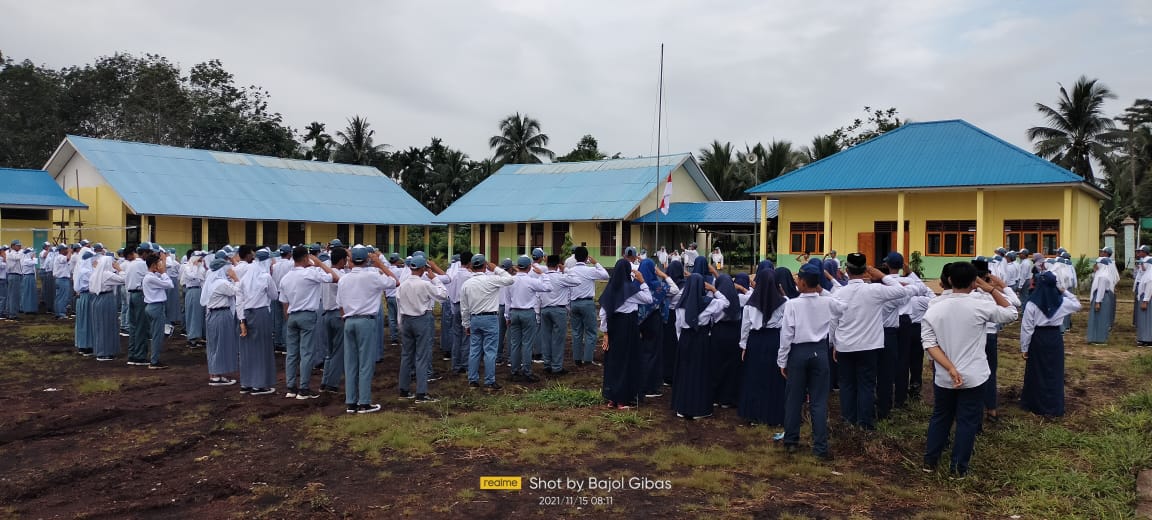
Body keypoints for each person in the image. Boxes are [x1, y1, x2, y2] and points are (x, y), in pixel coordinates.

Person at [921, 261, 1018, 477]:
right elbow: (1011, 312)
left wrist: (950, 368)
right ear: (974, 283)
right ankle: (958, 468)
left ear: (950, 281)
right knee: (967, 421)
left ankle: (930, 460)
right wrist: (991, 289)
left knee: (941, 416)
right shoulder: (980, 306)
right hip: (974, 376)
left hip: (945, 376)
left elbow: (929, 344)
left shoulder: (934, 308)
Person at [830, 253, 916, 430]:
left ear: (847, 270)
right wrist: (882, 276)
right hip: (869, 346)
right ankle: (865, 423)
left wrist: (834, 344)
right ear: (866, 271)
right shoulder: (874, 290)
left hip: (845, 345)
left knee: (847, 385)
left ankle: (849, 421)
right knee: (866, 385)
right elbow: (901, 290)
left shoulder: (839, 293)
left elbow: (834, 321)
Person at [779, 263, 842, 459]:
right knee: (819, 401)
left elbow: (786, 335)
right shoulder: (827, 302)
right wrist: (822, 292)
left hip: (798, 352)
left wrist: (782, 360)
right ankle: (820, 447)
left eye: (799, 279)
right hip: (819, 352)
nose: (796, 281)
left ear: (803, 283)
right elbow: (842, 309)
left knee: (793, 399)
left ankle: (790, 441)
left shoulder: (792, 304)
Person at [337, 246, 399, 413]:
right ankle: (364, 402)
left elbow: (340, 305)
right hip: (366, 321)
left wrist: (347, 318)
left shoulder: (344, 279)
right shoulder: (373, 275)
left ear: (351, 260)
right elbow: (395, 281)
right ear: (367, 260)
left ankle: (351, 402)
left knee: (350, 363)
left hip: (349, 321)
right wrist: (380, 264)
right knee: (365, 363)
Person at [278, 246, 340, 399]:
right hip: (307, 315)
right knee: (306, 353)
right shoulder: (310, 273)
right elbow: (334, 277)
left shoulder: (286, 278)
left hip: (292, 316)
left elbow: (284, 302)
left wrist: (288, 317)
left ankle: (291, 387)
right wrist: (319, 264)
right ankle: (304, 388)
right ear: (306, 258)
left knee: (292, 354)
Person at [1020, 271, 1082, 417]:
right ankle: (1053, 405)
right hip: (1054, 337)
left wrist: (1024, 347)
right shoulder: (1062, 302)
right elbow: (1078, 305)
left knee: (1037, 370)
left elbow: (1027, 328)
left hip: (1038, 337)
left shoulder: (1032, 303)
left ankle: (1035, 404)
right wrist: (1065, 291)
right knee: (1054, 371)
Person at [671, 273, 728, 419]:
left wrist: (682, 341)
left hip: (685, 338)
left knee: (685, 373)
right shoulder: (709, 302)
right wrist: (714, 290)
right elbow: (726, 302)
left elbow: (677, 326)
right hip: (701, 340)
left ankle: (682, 408)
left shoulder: (680, 304)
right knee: (700, 373)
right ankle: (699, 408)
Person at [598, 259, 653, 409]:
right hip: (627, 328)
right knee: (627, 362)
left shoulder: (609, 289)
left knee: (613, 362)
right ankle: (622, 399)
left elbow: (603, 313)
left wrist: (605, 333)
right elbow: (648, 299)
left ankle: (612, 398)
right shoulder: (629, 289)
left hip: (613, 327)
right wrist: (642, 282)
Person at [739, 265, 788, 426]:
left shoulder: (750, 303)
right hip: (774, 340)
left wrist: (744, 346)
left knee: (755, 377)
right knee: (773, 378)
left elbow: (745, 327)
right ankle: (773, 415)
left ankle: (754, 414)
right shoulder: (784, 302)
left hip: (756, 341)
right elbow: (786, 326)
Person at [396, 255, 448, 402]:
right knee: (422, 357)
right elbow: (443, 295)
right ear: (423, 268)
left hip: (406, 320)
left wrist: (400, 324)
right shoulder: (424, 284)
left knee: (406, 356)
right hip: (421, 319)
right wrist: (435, 279)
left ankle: (404, 390)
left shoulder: (403, 284)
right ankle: (421, 393)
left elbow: (399, 305)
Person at [460, 254, 515, 389]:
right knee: (490, 351)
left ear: (472, 267)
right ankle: (489, 381)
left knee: (474, 350)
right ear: (485, 266)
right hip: (490, 318)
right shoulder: (491, 279)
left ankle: (473, 379)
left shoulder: (466, 284)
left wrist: (466, 324)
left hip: (475, 319)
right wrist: (496, 268)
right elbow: (510, 280)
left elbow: (464, 307)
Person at [637, 258, 678, 398]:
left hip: (638, 321)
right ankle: (651, 387)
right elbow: (675, 290)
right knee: (653, 353)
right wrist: (664, 275)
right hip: (654, 321)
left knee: (641, 352)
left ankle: (640, 383)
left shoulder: (636, 284)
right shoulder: (657, 286)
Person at [505, 256, 550, 382]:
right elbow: (548, 287)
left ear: (517, 266)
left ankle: (514, 370)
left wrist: (507, 316)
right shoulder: (531, 281)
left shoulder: (510, 281)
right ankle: (527, 371)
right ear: (529, 267)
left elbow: (507, 301)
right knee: (527, 344)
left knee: (515, 343)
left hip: (514, 312)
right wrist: (542, 274)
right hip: (528, 313)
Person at [568, 248, 608, 367]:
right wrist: (596, 263)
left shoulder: (570, 271)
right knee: (591, 332)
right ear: (587, 258)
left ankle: (577, 359)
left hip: (574, 303)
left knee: (576, 332)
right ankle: (588, 359)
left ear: (575, 257)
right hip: (587, 303)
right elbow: (605, 275)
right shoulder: (589, 270)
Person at [539, 255, 578, 375]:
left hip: (544, 309)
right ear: (558, 265)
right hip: (559, 310)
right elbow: (577, 281)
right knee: (558, 339)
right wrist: (565, 269)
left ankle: (547, 363)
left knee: (546, 338)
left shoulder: (543, 278)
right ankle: (556, 366)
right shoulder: (561, 277)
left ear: (547, 265)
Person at [318, 247, 350, 393]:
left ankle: (325, 381)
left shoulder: (326, 274)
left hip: (326, 314)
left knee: (330, 351)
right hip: (338, 314)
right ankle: (332, 383)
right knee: (338, 351)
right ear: (342, 260)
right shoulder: (341, 275)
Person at [710, 274, 745, 408]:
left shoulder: (716, 301)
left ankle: (715, 396)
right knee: (731, 367)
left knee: (716, 365)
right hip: (734, 334)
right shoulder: (738, 299)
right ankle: (727, 398)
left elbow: (713, 318)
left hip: (718, 334)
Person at [89, 254, 126, 361]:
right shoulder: (107, 274)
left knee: (99, 325)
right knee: (107, 325)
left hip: (96, 300)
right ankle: (105, 352)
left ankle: (100, 350)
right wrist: (119, 269)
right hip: (106, 300)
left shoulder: (95, 273)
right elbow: (124, 279)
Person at [141, 252, 174, 369]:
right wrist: (164, 272)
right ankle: (154, 361)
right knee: (157, 335)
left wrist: (162, 266)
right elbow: (170, 284)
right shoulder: (150, 278)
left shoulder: (151, 276)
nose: (161, 266)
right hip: (155, 307)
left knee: (156, 334)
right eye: (158, 264)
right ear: (154, 265)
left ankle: (154, 359)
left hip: (153, 306)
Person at [1086, 250, 1118, 345]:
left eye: (1097, 264)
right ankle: (1096, 337)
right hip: (1101, 297)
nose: (1095, 265)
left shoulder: (1103, 276)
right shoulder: (1100, 274)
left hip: (1101, 298)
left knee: (1101, 318)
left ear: (1102, 265)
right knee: (1098, 318)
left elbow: (1101, 290)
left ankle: (1100, 339)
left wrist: (1097, 302)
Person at [182, 251, 207, 348]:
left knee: (199, 315)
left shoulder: (200, 267)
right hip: (192, 291)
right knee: (193, 315)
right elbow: (192, 276)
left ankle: (199, 337)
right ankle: (192, 338)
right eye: (199, 258)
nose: (201, 260)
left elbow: (203, 277)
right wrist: (195, 266)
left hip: (199, 291)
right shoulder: (187, 267)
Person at [51, 245, 72, 320]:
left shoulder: (59, 257)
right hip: (62, 279)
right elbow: (67, 258)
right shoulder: (60, 256)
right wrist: (69, 252)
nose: (67, 250)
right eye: (65, 249)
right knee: (63, 297)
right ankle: (61, 314)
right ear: (61, 250)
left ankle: (58, 313)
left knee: (59, 297)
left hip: (60, 279)